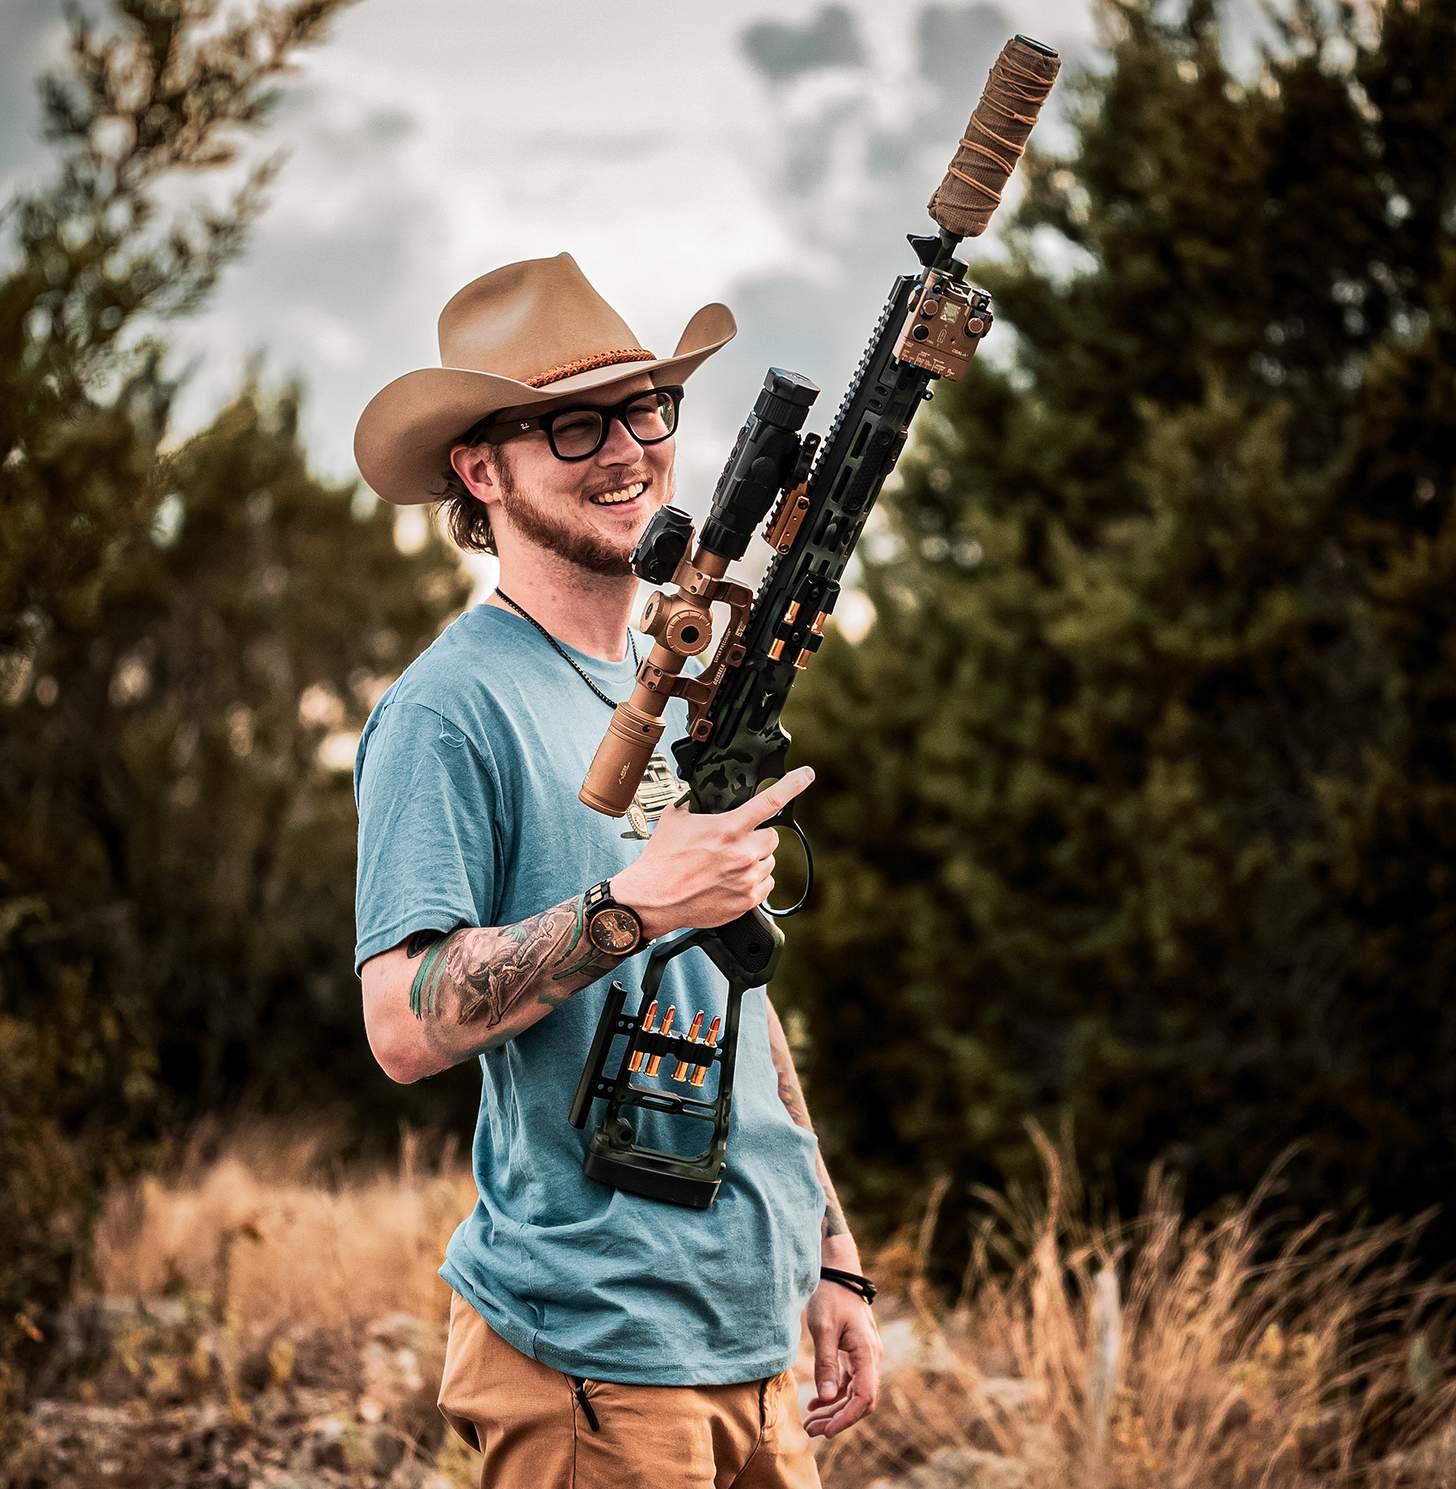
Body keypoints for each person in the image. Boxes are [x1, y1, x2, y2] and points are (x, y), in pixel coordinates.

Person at [351, 252, 881, 1488]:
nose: (630, 448)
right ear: (481, 471)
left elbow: (732, 997)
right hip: (592, 1359)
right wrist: (628, 905)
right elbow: (398, 1022)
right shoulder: (447, 707)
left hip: (754, 1351)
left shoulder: (674, 686)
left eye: (649, 409)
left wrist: (829, 1248)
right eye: (575, 424)